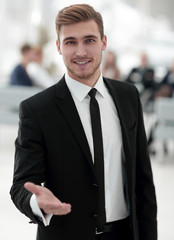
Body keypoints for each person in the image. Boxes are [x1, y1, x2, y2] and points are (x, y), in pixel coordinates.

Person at [10, 4, 157, 240]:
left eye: (89, 40)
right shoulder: (36, 110)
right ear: (58, 47)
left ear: (103, 42)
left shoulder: (128, 96)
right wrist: (37, 201)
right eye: (70, 42)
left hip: (126, 234)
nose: (81, 52)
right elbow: (21, 186)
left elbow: (143, 181)